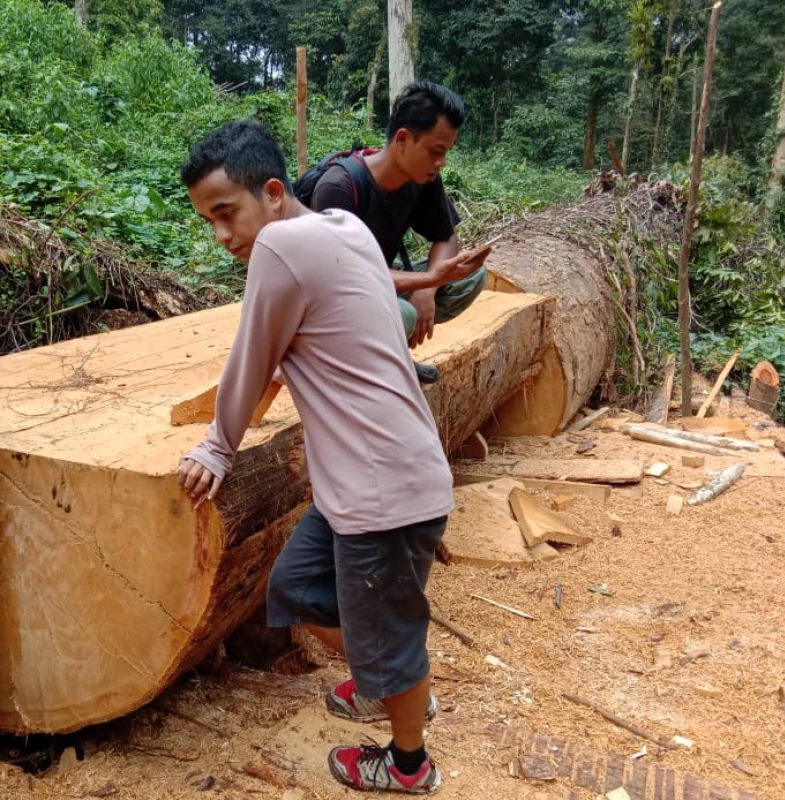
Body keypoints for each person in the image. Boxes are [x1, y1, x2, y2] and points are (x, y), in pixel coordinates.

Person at [176, 118, 455, 794]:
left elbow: (253, 356)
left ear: (273, 192)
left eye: (226, 214)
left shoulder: (282, 247)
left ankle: (408, 761)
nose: (221, 236)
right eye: (207, 221)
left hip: (381, 490)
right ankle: (392, 676)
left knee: (384, 631)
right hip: (370, 477)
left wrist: (218, 444)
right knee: (296, 589)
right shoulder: (346, 229)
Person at [310, 81, 486, 383]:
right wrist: (428, 279)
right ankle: (357, 367)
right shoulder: (339, 187)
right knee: (403, 313)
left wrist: (427, 289)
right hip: (332, 302)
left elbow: (445, 235)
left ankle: (393, 352)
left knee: (470, 278)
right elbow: (342, 278)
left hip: (379, 284)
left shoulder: (424, 179)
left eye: (446, 152)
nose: (441, 162)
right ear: (403, 139)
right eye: (436, 151)